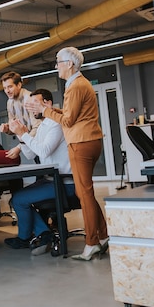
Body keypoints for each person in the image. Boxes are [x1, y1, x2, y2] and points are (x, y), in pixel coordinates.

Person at [24, 47, 109, 261]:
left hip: (82, 142)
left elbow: (68, 121)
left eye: (58, 62)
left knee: (84, 194)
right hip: (86, 139)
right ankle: (102, 235)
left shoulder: (76, 85)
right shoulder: (76, 84)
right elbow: (70, 114)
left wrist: (45, 111)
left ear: (69, 64)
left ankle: (91, 243)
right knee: (85, 193)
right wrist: (48, 108)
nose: (56, 66)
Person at [5, 89, 76, 255]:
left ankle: (28, 237)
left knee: (19, 199)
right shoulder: (44, 125)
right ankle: (44, 234)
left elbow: (44, 151)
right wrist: (22, 136)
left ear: (48, 104)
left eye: (35, 104)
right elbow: (30, 153)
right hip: (51, 180)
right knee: (18, 198)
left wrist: (24, 134)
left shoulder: (56, 124)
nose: (32, 109)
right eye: (30, 105)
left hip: (64, 183)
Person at [0, 72, 42, 160]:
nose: (7, 91)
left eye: (10, 87)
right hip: (28, 144)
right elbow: (15, 128)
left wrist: (19, 147)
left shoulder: (30, 99)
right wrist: (8, 129)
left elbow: (38, 128)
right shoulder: (10, 102)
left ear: (19, 85)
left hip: (40, 143)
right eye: (5, 88)